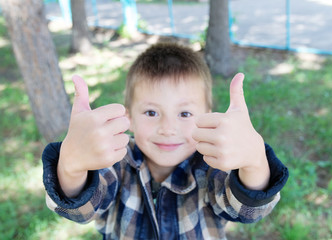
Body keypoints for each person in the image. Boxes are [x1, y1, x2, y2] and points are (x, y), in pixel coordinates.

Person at [42, 42, 288, 239]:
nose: (168, 129)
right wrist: (72, 166)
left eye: (184, 114)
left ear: (207, 115)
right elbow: (81, 211)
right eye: (151, 112)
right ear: (129, 117)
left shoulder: (212, 164)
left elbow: (248, 210)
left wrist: (254, 162)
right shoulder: (116, 159)